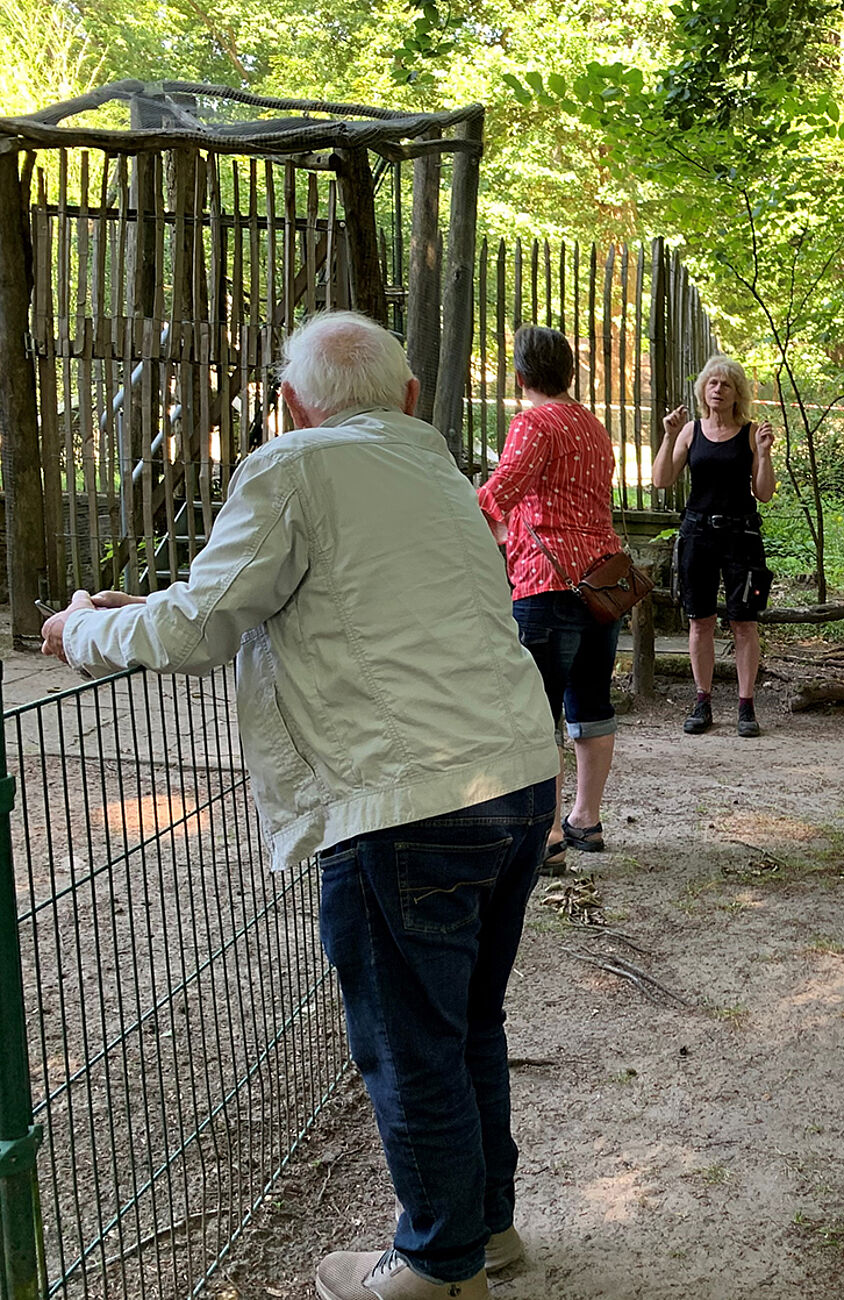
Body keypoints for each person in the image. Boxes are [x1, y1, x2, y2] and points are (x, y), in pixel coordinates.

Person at [38, 312, 559, 1300]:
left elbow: (201, 624)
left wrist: (80, 631)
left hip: (405, 799)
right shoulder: (438, 471)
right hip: (516, 779)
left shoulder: (294, 467)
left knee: (410, 1040)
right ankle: (485, 1228)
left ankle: (438, 1266)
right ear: (409, 397)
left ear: (290, 403)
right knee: (466, 1020)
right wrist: (132, 613)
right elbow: (257, 600)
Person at [477, 324, 623, 873]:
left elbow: (502, 491)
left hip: (547, 583)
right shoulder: (592, 426)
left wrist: (457, 503)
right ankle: (586, 818)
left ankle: (547, 837)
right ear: (569, 373)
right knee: (590, 702)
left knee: (536, 715)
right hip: (601, 584)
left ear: (519, 377)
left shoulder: (533, 422)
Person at [651, 353, 777, 738]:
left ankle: (746, 706)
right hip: (698, 535)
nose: (718, 389)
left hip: (741, 537)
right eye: (712, 383)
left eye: (725, 384)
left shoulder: (751, 433)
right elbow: (661, 479)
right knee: (699, 620)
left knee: (744, 622)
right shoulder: (690, 431)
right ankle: (702, 701)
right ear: (703, 389)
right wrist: (670, 435)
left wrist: (766, 455)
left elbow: (765, 493)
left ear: (738, 392)